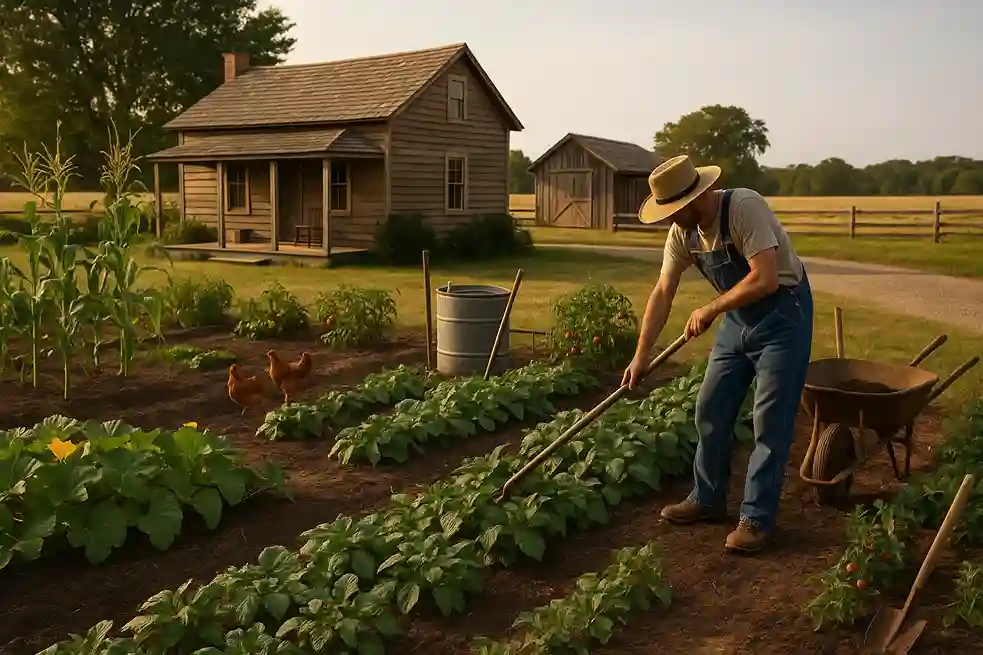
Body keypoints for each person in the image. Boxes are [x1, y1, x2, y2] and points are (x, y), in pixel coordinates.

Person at [622, 154, 813, 554]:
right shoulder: (683, 234)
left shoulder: (743, 207)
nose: (672, 219)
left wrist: (711, 308)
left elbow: (765, 277)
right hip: (739, 318)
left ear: (700, 195)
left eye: (676, 210)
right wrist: (641, 355)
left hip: (782, 314)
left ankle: (756, 519)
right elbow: (662, 292)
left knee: (770, 420)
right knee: (710, 407)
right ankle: (707, 499)